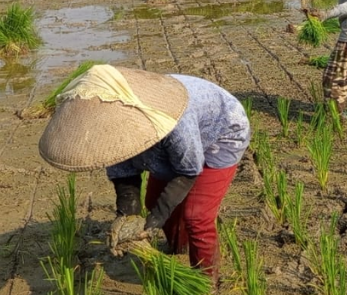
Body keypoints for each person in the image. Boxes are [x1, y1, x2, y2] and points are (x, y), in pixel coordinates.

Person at [37, 64, 250, 281]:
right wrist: (126, 217)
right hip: (170, 140)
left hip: (221, 134)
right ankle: (180, 248)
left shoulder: (176, 123)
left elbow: (187, 170)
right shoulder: (110, 127)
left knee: (196, 216)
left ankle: (205, 280)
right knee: (154, 199)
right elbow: (123, 173)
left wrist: (155, 220)